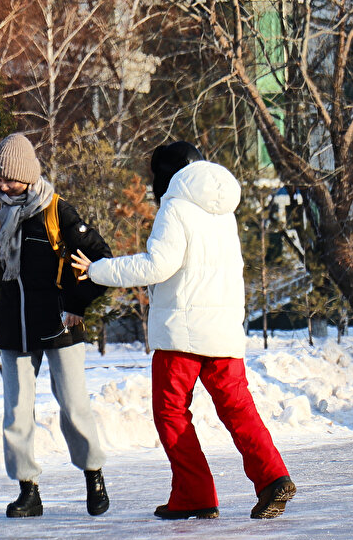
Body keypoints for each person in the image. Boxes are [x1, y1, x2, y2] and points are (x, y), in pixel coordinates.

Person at [72, 141, 294, 520]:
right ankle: (273, 478)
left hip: (183, 333)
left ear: (167, 174)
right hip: (223, 330)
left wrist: (98, 269)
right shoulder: (223, 212)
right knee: (238, 409)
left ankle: (194, 494)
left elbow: (158, 266)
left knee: (170, 411)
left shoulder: (175, 208)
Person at [0, 132, 113, 517]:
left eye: (10, 180)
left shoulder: (56, 211)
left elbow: (99, 261)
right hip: (14, 326)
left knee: (73, 405)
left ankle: (93, 476)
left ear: (29, 177)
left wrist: (75, 303)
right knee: (16, 410)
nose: (2, 187)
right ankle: (28, 490)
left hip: (59, 324)